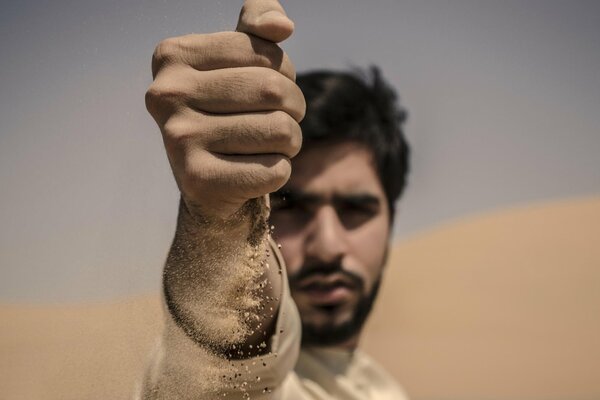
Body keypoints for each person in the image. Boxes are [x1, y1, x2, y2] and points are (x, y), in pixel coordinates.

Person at [139, 0, 410, 399]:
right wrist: (220, 222)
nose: (328, 246)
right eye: (292, 207)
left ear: (390, 223)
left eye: (355, 210)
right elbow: (225, 358)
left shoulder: (384, 389)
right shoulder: (245, 383)